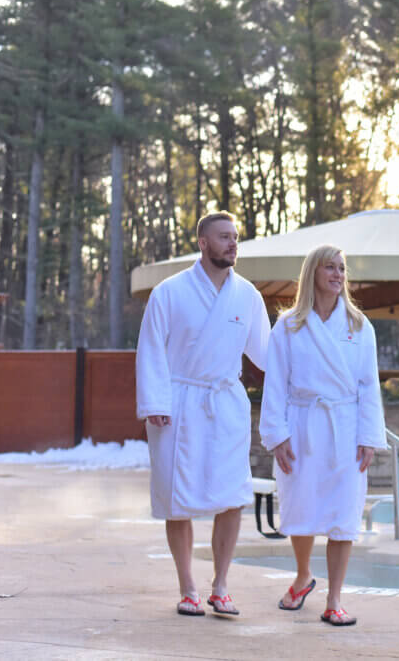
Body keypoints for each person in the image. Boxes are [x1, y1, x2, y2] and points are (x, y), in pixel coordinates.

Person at [136, 211, 270, 617]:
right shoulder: (169, 292)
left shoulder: (247, 296)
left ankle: (221, 585)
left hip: (225, 403)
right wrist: (156, 403)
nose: (232, 244)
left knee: (232, 496)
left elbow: (269, 355)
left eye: (235, 237)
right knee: (177, 497)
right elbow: (151, 349)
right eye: (224, 237)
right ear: (203, 242)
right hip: (178, 405)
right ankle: (188, 586)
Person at [259, 244, 387, 626]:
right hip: (303, 425)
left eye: (342, 268)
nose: (337, 274)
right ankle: (303, 576)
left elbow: (369, 386)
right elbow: (275, 383)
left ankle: (334, 599)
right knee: (300, 506)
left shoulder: (359, 326)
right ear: (312, 273)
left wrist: (369, 436)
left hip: (345, 429)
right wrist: (277, 435)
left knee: (344, 511)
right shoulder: (288, 325)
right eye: (329, 267)